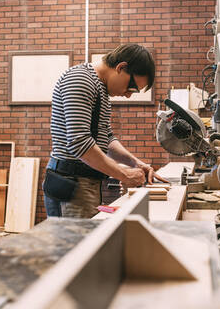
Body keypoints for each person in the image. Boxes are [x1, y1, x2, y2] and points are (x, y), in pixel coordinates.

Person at [43, 44, 167, 218]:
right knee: (76, 245)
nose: (128, 95)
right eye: (131, 87)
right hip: (72, 185)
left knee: (89, 242)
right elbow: (79, 143)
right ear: (121, 67)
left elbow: (105, 137)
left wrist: (134, 163)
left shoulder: (100, 88)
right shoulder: (81, 80)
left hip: (85, 182)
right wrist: (124, 174)